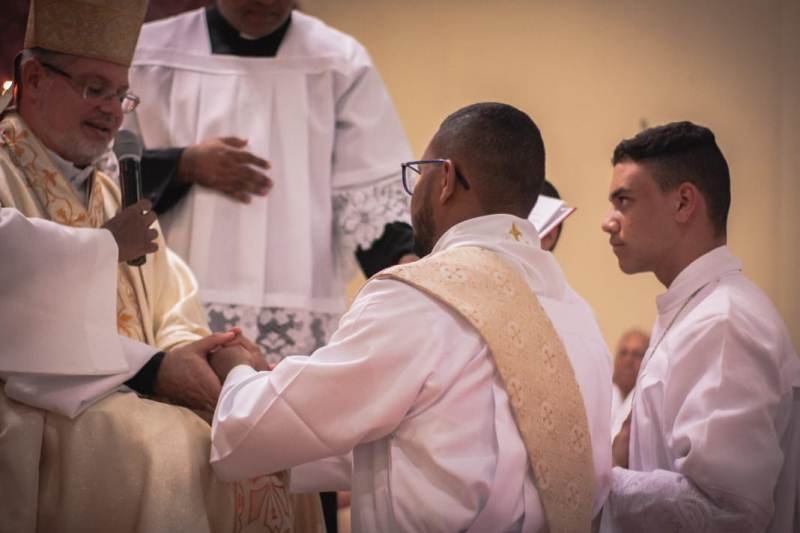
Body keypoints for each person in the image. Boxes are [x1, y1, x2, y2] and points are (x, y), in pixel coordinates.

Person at [206, 102, 612, 532]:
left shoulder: (421, 295)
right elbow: (433, 441)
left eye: (419, 173)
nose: (413, 191)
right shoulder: (577, 314)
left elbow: (251, 433)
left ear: (446, 179)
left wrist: (238, 373)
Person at [0, 1, 295, 530]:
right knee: (170, 450)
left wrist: (203, 354)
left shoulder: (113, 190)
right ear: (35, 77)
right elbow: (15, 293)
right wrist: (152, 366)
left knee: (262, 443)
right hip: (33, 409)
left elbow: (169, 297)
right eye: (95, 88)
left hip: (130, 390)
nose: (113, 111)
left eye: (121, 94)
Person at [123, 1, 415, 369]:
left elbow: (370, 196)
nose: (264, 3)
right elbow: (107, 175)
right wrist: (182, 165)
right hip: (177, 298)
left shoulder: (339, 61)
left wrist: (412, 273)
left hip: (300, 293)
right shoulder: (150, 54)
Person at [599, 121, 800, 532]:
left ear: (683, 203)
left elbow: (727, 511)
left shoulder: (725, 321)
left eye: (624, 201)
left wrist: (599, 481)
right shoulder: (696, 309)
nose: (609, 221)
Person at [609, 328, 648, 440]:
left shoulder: (647, 403)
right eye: (623, 353)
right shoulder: (600, 396)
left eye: (637, 354)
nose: (628, 360)